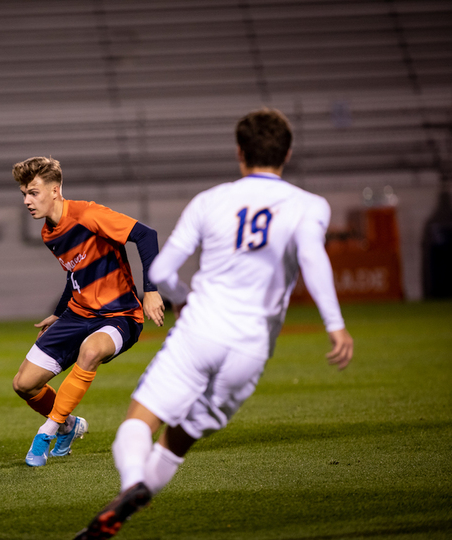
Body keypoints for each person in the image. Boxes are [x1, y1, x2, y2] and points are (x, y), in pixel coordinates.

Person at [74, 108, 354, 539]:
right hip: (251, 346)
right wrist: (334, 325)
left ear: (240, 153)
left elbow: (164, 271)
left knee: (137, 423)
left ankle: (132, 484)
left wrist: (187, 299)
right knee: (179, 440)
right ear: (288, 153)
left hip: (200, 331)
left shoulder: (210, 200)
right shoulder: (310, 206)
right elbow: (313, 259)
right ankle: (132, 501)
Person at [11, 156, 165, 467]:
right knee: (24, 384)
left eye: (34, 192)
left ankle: (47, 431)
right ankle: (69, 425)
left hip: (119, 316)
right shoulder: (48, 233)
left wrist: (151, 289)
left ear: (55, 190)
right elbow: (75, 272)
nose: (27, 201)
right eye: (24, 194)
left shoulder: (88, 214)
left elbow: (146, 235)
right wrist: (59, 312)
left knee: (91, 350)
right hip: (77, 315)